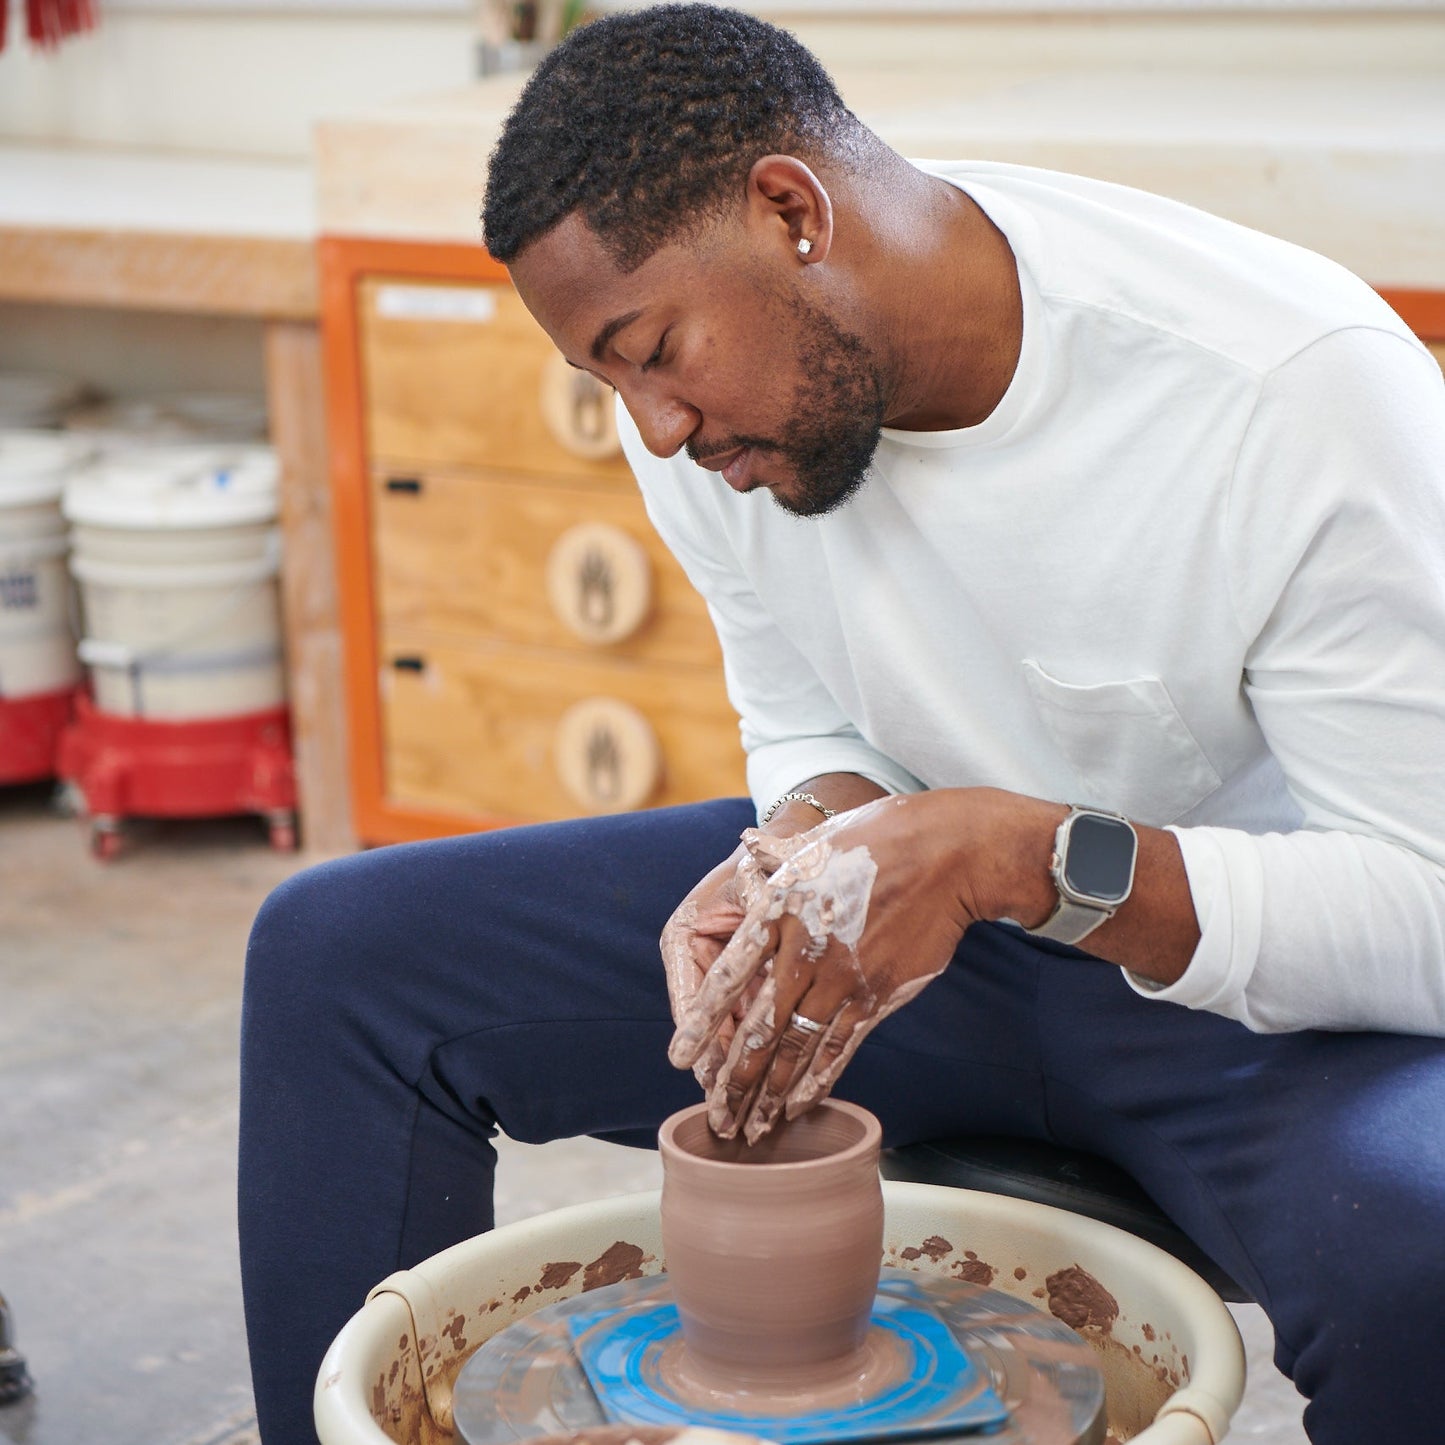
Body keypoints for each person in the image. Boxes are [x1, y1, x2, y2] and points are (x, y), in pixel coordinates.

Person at [238, 6, 1445, 1442]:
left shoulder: (1284, 393)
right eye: (609, 379)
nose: (656, 427)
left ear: (791, 213)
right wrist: (802, 843)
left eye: (654, 350)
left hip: (1257, 1002)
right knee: (340, 962)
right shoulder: (704, 412)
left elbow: (1426, 908)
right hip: (936, 936)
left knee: (1423, 1260)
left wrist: (1008, 854)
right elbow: (807, 704)